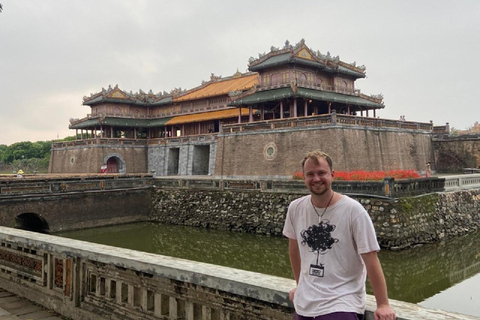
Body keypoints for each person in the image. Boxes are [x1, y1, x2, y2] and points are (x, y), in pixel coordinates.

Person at [283, 150, 395, 320]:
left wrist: (383, 304)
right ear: (304, 177)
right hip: (305, 305)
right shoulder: (295, 208)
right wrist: (301, 286)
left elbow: (371, 258)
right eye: (310, 174)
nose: (316, 179)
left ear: (332, 175)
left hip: (342, 302)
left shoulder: (353, 211)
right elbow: (294, 250)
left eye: (321, 173)